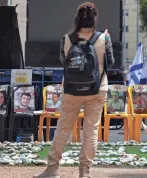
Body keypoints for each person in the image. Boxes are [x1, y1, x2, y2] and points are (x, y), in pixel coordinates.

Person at [34, 2, 114, 178]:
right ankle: (84, 172)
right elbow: (111, 63)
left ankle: (52, 169)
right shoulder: (104, 38)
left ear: (77, 18)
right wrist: (105, 40)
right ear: (95, 18)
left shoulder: (67, 39)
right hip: (97, 89)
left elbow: (64, 62)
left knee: (63, 128)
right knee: (91, 130)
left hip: (71, 90)